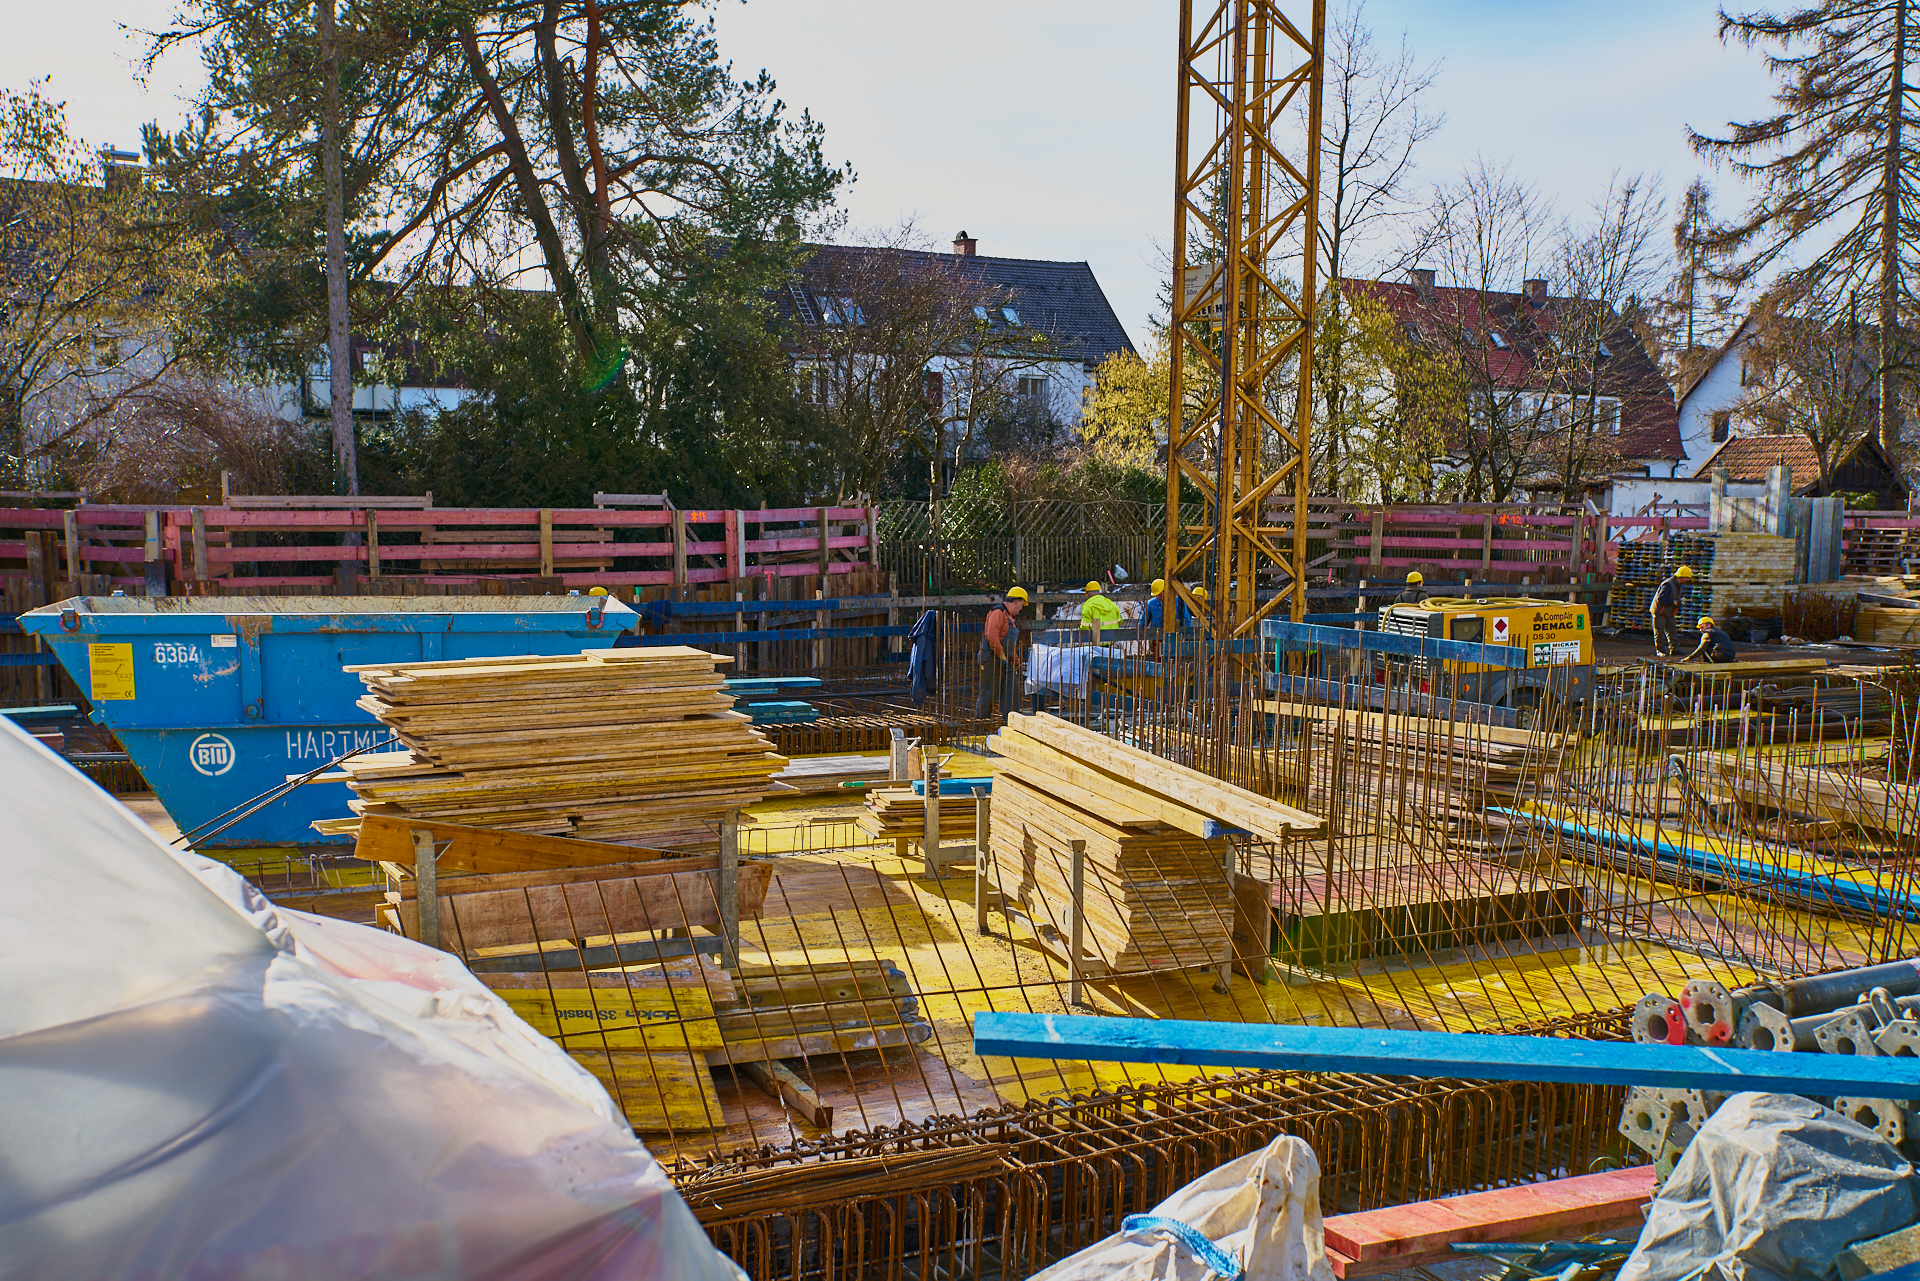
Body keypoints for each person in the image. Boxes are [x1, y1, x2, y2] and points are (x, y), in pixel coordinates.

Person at [975, 587, 1027, 719]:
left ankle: (1010, 723)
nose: (1021, 608)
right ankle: (980, 725)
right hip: (991, 658)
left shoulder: (1011, 618)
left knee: (1012, 691)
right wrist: (1002, 655)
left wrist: (1015, 660)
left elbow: (1010, 643)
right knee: (989, 693)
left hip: (1004, 659)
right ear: (1016, 601)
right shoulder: (998, 612)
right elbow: (991, 636)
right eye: (1021, 604)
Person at [1650, 564, 1695, 657]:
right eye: (1687, 578)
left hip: (1668, 612)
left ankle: (1674, 649)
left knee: (1672, 630)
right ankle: (1660, 651)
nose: (1687, 580)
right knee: (1659, 631)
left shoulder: (1678, 584)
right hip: (1659, 612)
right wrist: (1674, 603)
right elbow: (1660, 599)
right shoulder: (1668, 584)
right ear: (1683, 577)